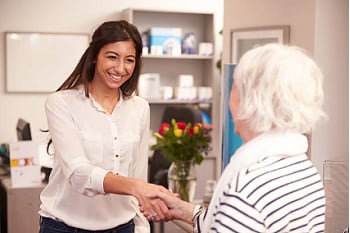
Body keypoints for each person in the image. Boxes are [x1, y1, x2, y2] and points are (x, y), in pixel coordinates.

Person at [146, 43, 327, 232]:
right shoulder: (305, 170)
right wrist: (180, 209)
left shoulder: (246, 188)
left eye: (233, 87)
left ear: (250, 100)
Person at [39, 20, 172, 233]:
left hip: (123, 226)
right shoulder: (61, 103)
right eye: (112, 57)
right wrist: (136, 187)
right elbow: (78, 173)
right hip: (65, 227)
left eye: (129, 60)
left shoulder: (140, 108)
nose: (120, 68)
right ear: (94, 57)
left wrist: (141, 226)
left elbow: (138, 173)